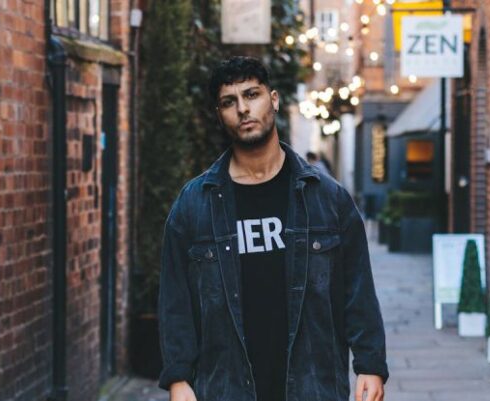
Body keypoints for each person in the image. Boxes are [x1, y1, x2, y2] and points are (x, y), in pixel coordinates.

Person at [158, 56, 387, 401]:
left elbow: (357, 289)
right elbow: (175, 301)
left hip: (313, 384)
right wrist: (178, 378)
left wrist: (370, 363)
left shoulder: (327, 199)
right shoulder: (194, 205)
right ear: (220, 114)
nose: (243, 109)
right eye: (229, 102)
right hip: (225, 387)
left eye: (252, 95)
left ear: (274, 99)